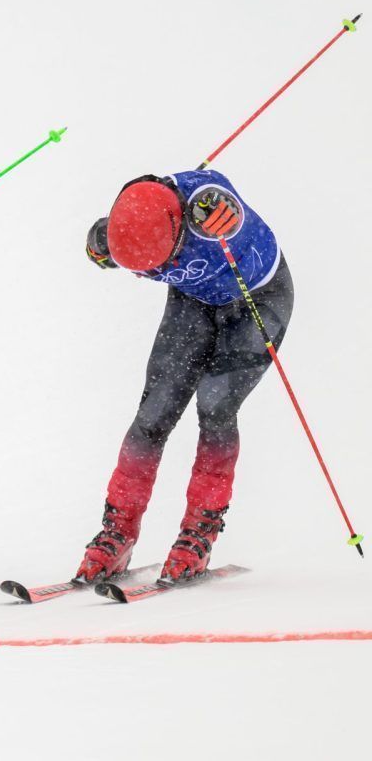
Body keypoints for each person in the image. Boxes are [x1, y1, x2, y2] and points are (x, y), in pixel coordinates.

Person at [76, 170, 293, 585]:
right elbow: (109, 246)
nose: (151, 273)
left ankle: (199, 535)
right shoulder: (131, 221)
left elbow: (224, 197)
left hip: (257, 301)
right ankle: (116, 533)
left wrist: (230, 218)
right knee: (153, 413)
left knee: (215, 404)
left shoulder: (211, 209)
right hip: (194, 302)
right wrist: (99, 246)